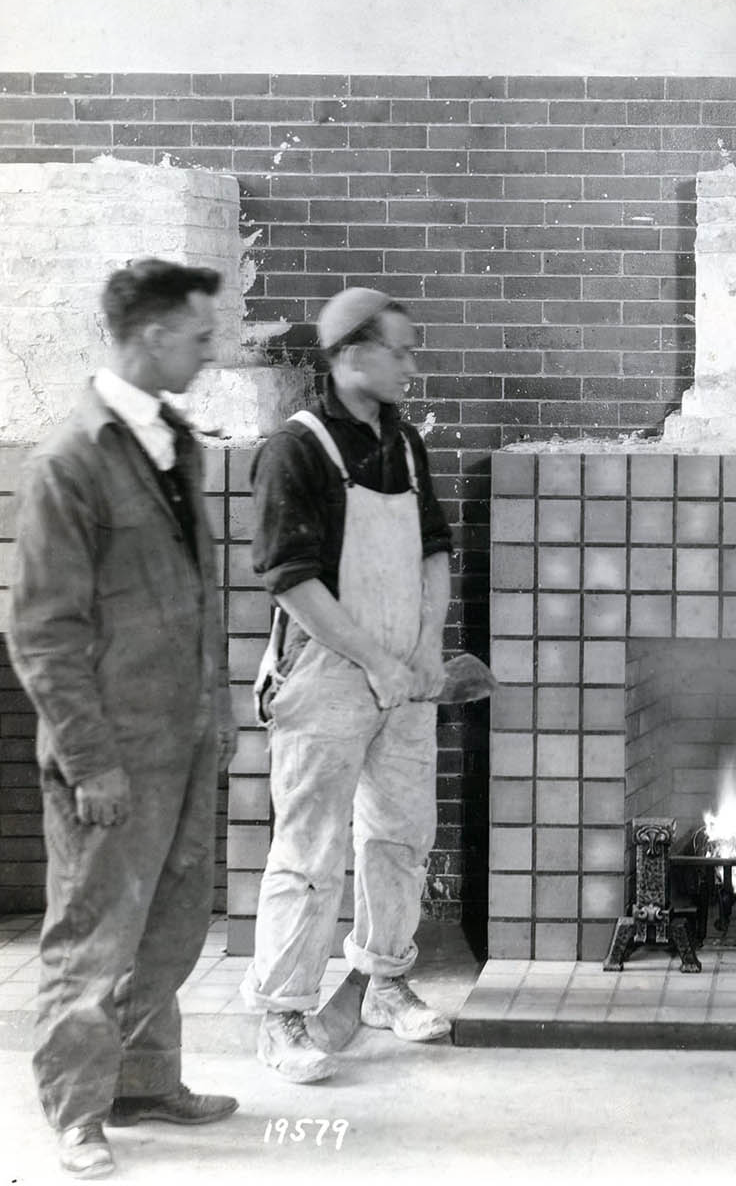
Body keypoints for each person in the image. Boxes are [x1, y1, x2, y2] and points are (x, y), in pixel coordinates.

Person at [7, 260, 238, 1179]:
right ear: (149, 335)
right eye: (199, 334)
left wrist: (212, 720)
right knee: (94, 935)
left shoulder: (173, 440)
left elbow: (192, 598)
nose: (210, 350)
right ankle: (75, 1112)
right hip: (110, 754)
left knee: (172, 925)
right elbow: (44, 633)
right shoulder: (71, 460)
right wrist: (91, 762)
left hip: (181, 741)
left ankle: (145, 1081)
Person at [241, 287, 453, 1083]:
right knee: (309, 850)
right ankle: (283, 1014)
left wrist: (427, 646)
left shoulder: (401, 444)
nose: (410, 364)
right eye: (399, 350)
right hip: (325, 674)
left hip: (403, 673)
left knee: (400, 836)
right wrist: (375, 658)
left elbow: (434, 548)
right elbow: (294, 584)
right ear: (352, 355)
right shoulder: (295, 451)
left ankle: (384, 982)